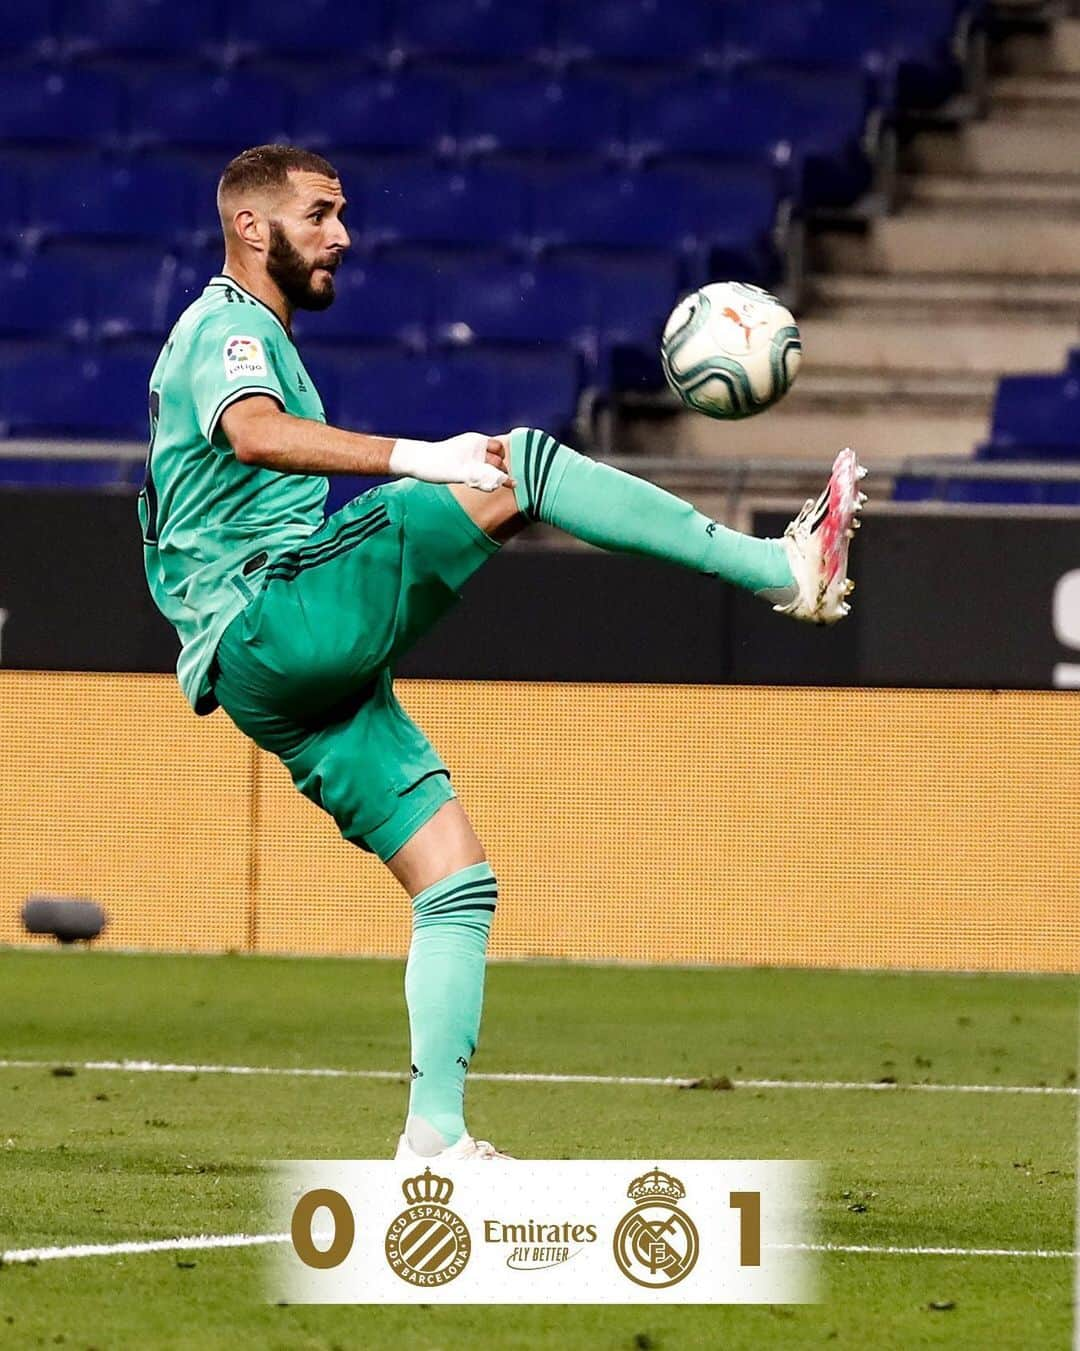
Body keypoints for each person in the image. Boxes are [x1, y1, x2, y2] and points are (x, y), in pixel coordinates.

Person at [138, 144, 865, 1163]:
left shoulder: (249, 329)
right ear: (253, 228)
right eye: (318, 213)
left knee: (454, 881)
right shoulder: (227, 324)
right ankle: (781, 568)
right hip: (273, 609)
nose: (342, 231)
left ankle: (434, 1134)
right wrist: (417, 457)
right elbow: (255, 434)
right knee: (515, 464)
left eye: (343, 209)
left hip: (271, 674)